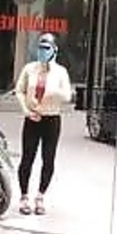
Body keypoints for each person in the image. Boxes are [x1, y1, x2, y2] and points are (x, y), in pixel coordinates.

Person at [15, 33, 72, 215]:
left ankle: (40, 197)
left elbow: (67, 96)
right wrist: (26, 110)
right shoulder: (29, 69)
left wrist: (52, 91)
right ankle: (24, 197)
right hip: (32, 118)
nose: (42, 51)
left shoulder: (61, 72)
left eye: (46, 48)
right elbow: (19, 90)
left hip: (51, 119)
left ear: (55, 50)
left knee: (48, 159)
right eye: (40, 47)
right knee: (27, 158)